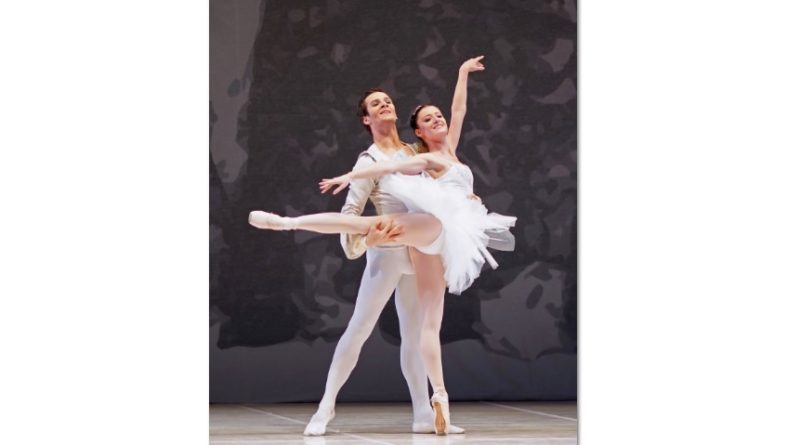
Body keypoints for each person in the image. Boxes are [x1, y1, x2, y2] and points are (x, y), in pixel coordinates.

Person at [250, 56, 515, 434]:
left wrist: (466, 202)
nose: (385, 104)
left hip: (419, 248)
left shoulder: (414, 151)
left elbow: (447, 165)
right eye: (376, 103)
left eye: (387, 100)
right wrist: (363, 242)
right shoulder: (369, 159)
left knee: (416, 333)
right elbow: (351, 213)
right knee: (359, 329)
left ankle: (424, 412)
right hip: (388, 248)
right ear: (366, 119)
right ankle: (325, 408)